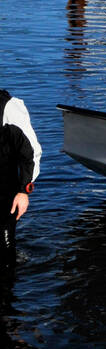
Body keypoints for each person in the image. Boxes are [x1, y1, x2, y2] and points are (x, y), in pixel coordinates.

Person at [0, 88, 41, 275]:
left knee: (5, 251)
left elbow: (29, 152)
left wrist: (24, 190)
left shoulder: (9, 107)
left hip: (5, 193)